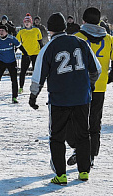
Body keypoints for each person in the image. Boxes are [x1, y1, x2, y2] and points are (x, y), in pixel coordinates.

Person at [29, 12, 101, 185]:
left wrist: (33, 96)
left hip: (59, 99)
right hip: (82, 98)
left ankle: (61, 175)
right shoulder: (81, 43)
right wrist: (89, 85)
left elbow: (38, 75)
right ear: (65, 27)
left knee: (57, 137)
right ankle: (84, 171)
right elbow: (96, 69)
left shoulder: (48, 48)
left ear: (50, 29)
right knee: (83, 134)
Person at [65, 7, 113, 168]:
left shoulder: (76, 37)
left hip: (79, 86)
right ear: (99, 21)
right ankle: (91, 155)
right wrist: (108, 77)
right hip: (99, 86)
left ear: (83, 21)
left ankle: (80, 149)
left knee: (75, 120)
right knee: (95, 121)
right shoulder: (108, 39)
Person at [0, 25, 27, 103]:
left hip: (11, 62)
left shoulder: (12, 39)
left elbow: (20, 46)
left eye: (3, 31)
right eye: (0, 31)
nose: (1, 32)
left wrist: (26, 55)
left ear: (6, 32)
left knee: (14, 80)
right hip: (1, 62)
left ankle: (14, 97)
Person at [16, 13, 43, 93]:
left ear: (31, 22)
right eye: (25, 22)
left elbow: (40, 42)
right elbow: (17, 43)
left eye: (28, 21)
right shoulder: (21, 31)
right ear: (24, 23)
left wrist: (42, 52)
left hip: (35, 53)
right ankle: (21, 87)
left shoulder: (36, 30)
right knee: (23, 71)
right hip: (26, 54)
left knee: (36, 71)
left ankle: (37, 86)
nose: (27, 23)